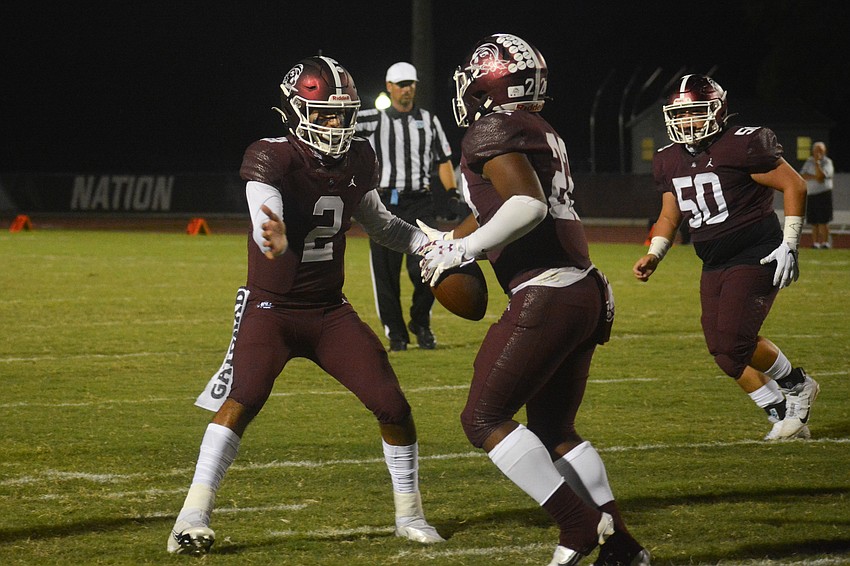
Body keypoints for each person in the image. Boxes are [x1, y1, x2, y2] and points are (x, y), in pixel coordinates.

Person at [167, 55, 444, 555]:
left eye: (344, 113)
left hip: (328, 310)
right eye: (327, 113)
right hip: (272, 309)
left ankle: (410, 515)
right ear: (296, 110)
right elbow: (262, 208)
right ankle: (191, 515)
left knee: (393, 405)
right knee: (243, 400)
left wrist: (427, 243)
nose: (338, 124)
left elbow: (379, 223)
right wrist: (269, 230)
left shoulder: (359, 157)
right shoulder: (272, 155)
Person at [419, 34, 650, 566]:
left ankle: (580, 526)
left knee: (482, 418)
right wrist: (453, 241)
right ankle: (623, 548)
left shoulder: (491, 129)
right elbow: (510, 205)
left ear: (488, 85)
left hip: (546, 291)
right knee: (553, 430)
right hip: (584, 289)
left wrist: (464, 252)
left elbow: (527, 205)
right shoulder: (538, 129)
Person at [632, 74, 820, 442]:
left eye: (696, 113)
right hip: (714, 260)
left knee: (734, 340)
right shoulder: (668, 160)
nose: (687, 122)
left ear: (717, 112)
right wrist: (655, 253)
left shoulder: (741, 144)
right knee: (723, 353)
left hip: (755, 251)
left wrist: (790, 243)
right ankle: (781, 413)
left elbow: (794, 184)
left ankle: (799, 385)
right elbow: (670, 214)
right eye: (680, 114)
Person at [355, 61, 460, 351]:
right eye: (401, 84)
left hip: (420, 202)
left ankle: (420, 322)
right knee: (386, 275)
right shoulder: (373, 119)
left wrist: (452, 191)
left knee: (429, 266)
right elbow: (341, 122)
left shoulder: (428, 120)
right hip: (386, 203)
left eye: (411, 83)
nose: (407, 88)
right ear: (389, 87)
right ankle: (396, 334)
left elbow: (443, 160)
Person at [800, 141, 835, 248]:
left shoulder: (827, 162)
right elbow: (803, 175)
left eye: (820, 150)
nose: (817, 152)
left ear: (824, 151)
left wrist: (817, 163)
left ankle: (825, 243)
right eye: (816, 150)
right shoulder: (808, 161)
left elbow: (821, 176)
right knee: (813, 221)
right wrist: (815, 177)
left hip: (823, 194)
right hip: (811, 195)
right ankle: (815, 243)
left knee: (823, 220)